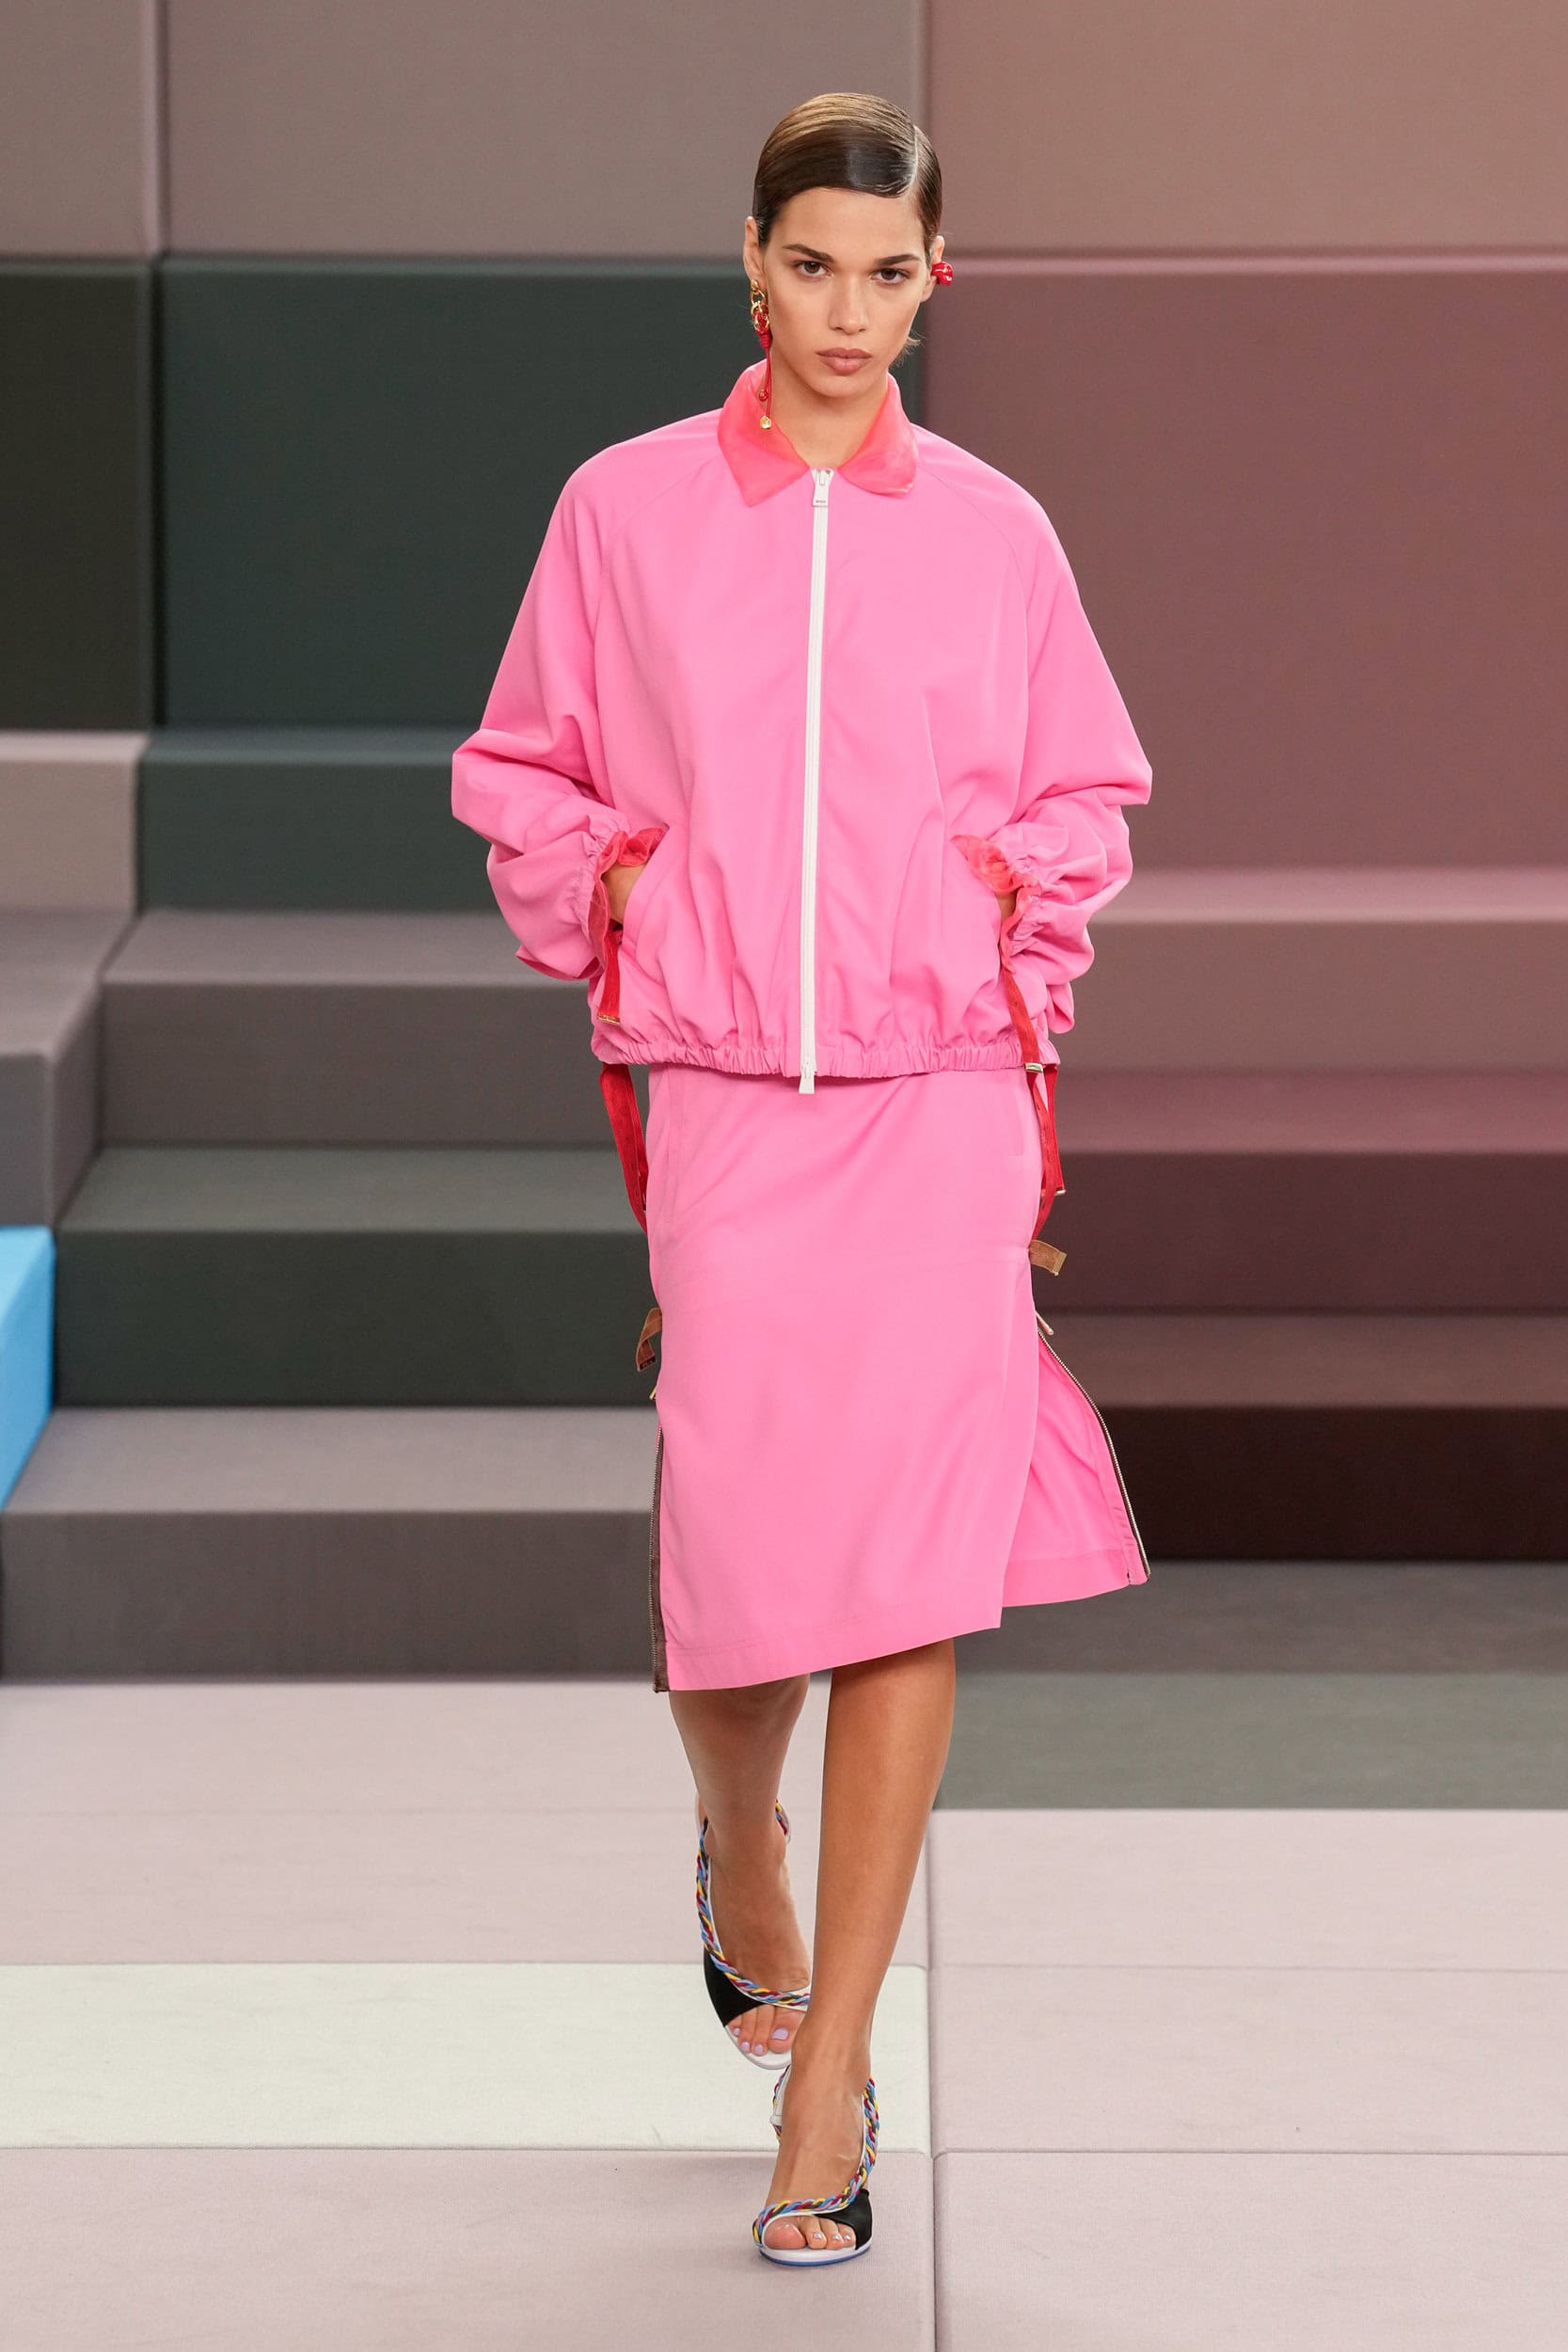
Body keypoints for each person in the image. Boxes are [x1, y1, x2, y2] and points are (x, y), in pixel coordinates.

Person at [451, 91, 1153, 2270]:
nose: (852, 310)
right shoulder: (627, 510)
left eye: (891, 271)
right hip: (733, 1091)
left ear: (939, 282)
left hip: (936, 1098)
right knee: (745, 1552)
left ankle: (833, 2067)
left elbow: (1086, 792)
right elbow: (521, 765)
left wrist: (1000, 924)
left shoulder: (1000, 535)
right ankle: (734, 1835)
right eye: (815, 264)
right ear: (752, 266)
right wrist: (630, 893)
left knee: (916, 1572)